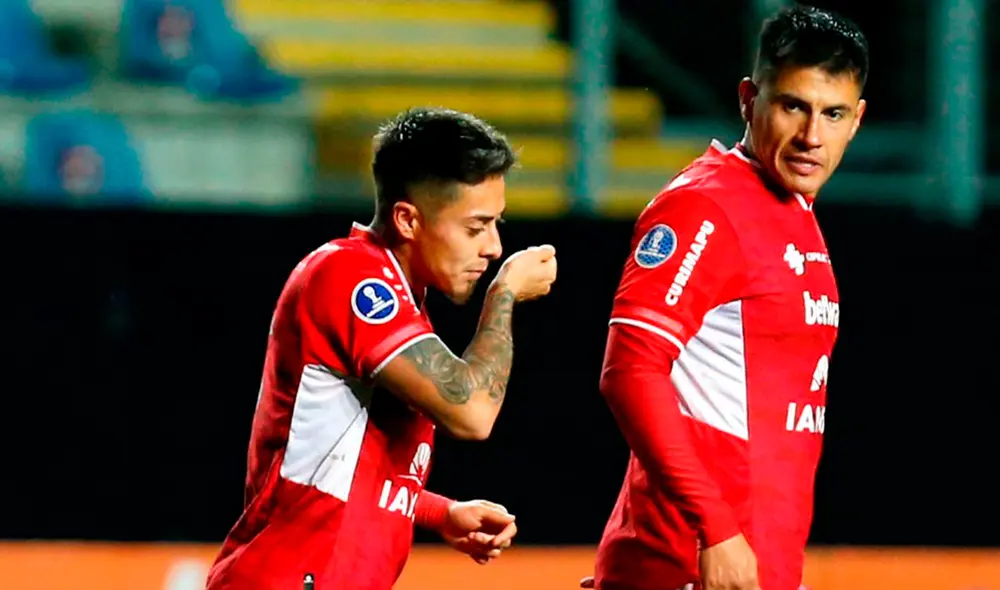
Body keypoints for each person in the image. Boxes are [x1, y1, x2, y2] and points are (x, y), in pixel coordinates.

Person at [205, 107, 558, 590]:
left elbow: (342, 469)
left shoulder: (402, 298)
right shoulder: (352, 276)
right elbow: (473, 413)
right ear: (408, 219)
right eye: (476, 227)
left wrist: (439, 511)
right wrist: (504, 294)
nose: (494, 246)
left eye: (497, 223)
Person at [581, 5, 866, 590]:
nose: (812, 135)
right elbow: (629, 370)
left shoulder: (792, 210)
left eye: (832, 114)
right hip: (690, 561)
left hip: (748, 562)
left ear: (856, 121)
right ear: (747, 99)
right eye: (792, 106)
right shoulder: (705, 206)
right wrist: (718, 531)